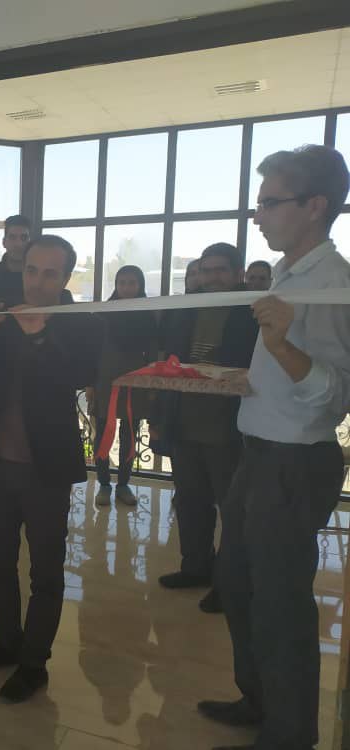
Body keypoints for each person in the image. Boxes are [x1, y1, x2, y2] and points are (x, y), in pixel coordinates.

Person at [198, 145, 350, 750]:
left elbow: (335, 397)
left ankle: (290, 734)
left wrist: (283, 346)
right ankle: (259, 699)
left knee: (280, 603)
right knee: (236, 583)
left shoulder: (333, 285)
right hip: (257, 451)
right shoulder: (288, 273)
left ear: (314, 206)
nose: (256, 215)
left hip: (294, 462)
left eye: (268, 202)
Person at [0, 235, 104, 704]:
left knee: (45, 571)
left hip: (47, 468)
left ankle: (33, 663)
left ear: (66, 278)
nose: (37, 282)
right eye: (31, 271)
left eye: (49, 273)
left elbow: (78, 373)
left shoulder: (79, 323)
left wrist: (39, 335)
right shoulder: (4, 313)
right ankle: (6, 642)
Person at [153, 243, 258, 615]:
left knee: (234, 510)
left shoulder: (252, 311)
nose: (212, 277)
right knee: (190, 501)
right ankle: (196, 567)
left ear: (238, 273)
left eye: (220, 270)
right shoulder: (187, 308)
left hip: (230, 427)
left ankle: (229, 584)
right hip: (184, 422)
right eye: (206, 270)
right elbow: (170, 358)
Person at [89, 265, 158, 507]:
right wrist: (90, 384)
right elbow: (92, 351)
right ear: (116, 285)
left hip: (134, 381)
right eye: (122, 283)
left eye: (132, 283)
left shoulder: (148, 315)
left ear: (140, 285)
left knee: (130, 433)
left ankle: (123, 484)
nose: (127, 288)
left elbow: (152, 352)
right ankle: (104, 484)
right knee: (102, 433)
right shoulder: (103, 313)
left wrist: (151, 384)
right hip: (104, 381)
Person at [0, 214, 73, 310]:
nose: (18, 244)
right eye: (12, 237)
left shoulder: (60, 292)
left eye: (24, 238)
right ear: (4, 242)